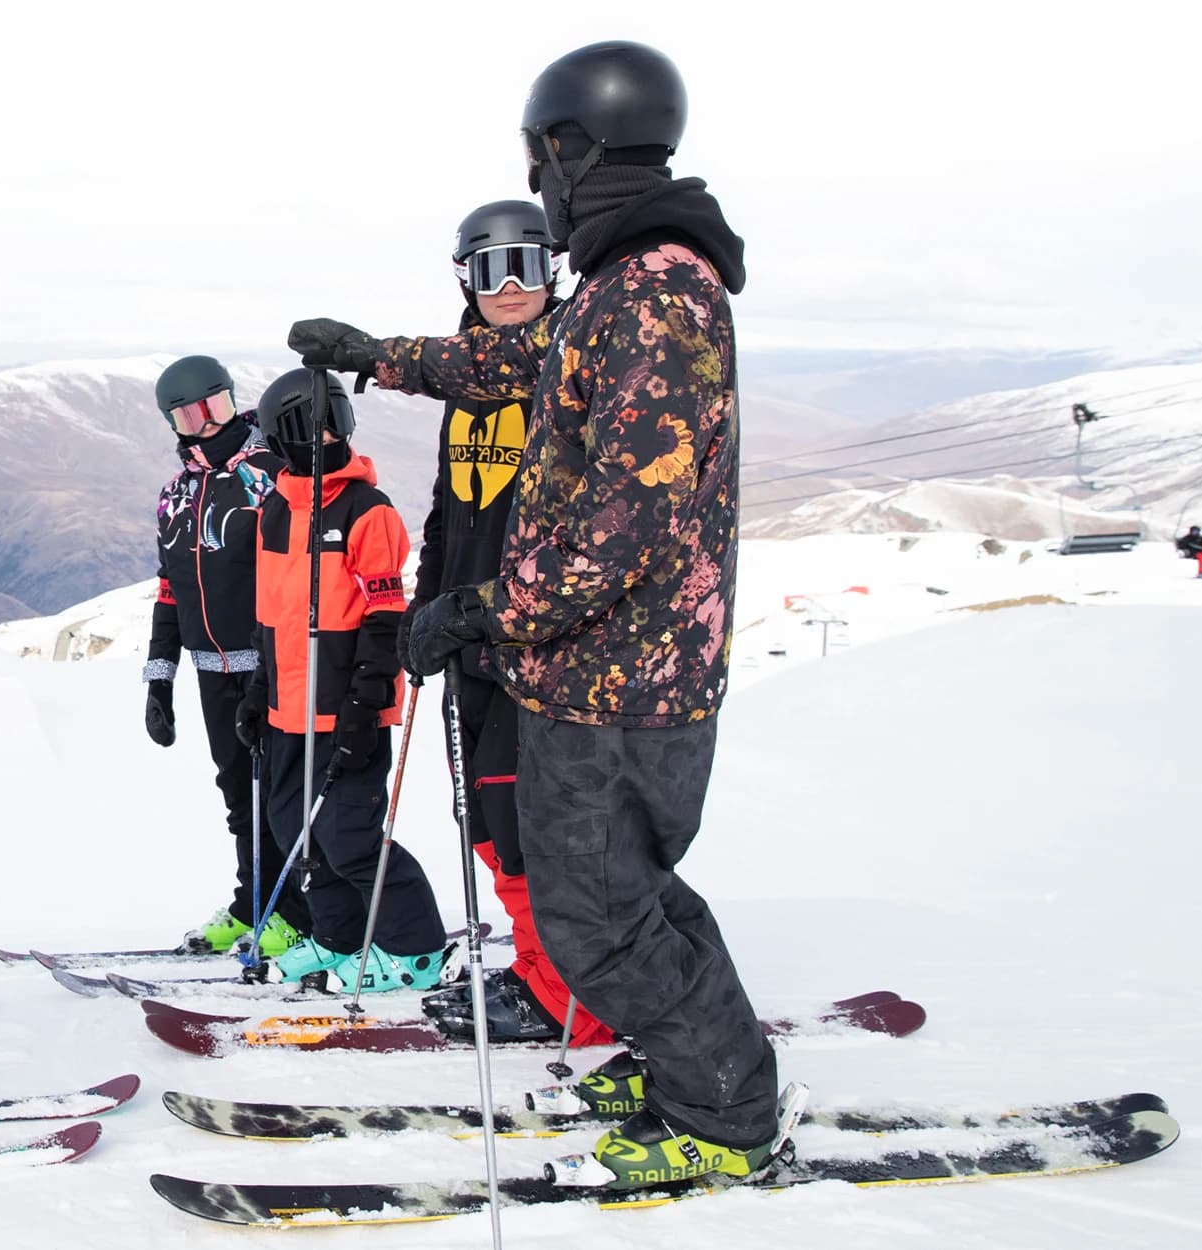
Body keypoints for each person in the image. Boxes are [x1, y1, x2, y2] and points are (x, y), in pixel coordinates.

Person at [292, 41, 775, 1185]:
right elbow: (512, 364)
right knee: (628, 891)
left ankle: (724, 1115)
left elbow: (623, 523)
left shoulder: (652, 293)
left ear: (570, 150)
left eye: (540, 163)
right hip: (611, 666)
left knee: (593, 911)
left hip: (619, 672)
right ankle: (693, 1063)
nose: (541, 193)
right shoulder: (624, 283)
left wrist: (483, 610)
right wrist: (380, 361)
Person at [386, 200, 615, 1051]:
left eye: (527, 264)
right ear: (464, 280)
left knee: (531, 824)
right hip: (470, 636)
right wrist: (425, 604)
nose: (511, 286)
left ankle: (569, 992)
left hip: (547, 646)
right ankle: (536, 969)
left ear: (555, 270)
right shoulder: (467, 388)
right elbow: (453, 507)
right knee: (485, 818)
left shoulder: (571, 365)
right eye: (490, 270)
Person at [234, 369, 452, 993]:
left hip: (345, 707)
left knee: (349, 835)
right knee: (293, 831)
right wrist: (257, 690)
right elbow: (270, 614)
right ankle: (340, 936)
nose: (324, 436)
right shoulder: (275, 510)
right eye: (308, 425)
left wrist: (367, 698)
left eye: (334, 420)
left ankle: (416, 950)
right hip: (286, 709)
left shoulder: (367, 511)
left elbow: (386, 615)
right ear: (281, 436)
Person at [142, 355, 310, 959]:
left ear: (234, 401)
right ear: (174, 424)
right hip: (214, 671)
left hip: (275, 666)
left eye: (215, 407)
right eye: (191, 415)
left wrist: (271, 665)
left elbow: (292, 577)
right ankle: (254, 902)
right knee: (240, 794)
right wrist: (159, 679)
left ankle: (296, 912)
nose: (207, 424)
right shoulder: (174, 497)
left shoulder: (271, 475)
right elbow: (170, 587)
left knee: (282, 796)